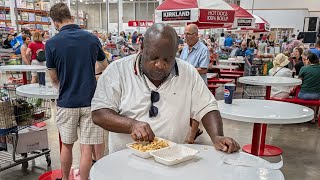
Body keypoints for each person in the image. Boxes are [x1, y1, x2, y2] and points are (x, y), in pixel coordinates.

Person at [91, 23, 240, 154]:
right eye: (154, 58)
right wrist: (131, 125)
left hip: (172, 158)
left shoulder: (188, 73)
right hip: (125, 160)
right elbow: (99, 113)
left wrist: (217, 136)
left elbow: (207, 107)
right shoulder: (117, 71)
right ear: (142, 48)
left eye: (167, 59)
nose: (160, 65)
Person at [45, 3, 108, 180]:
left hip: (67, 102)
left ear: (55, 22)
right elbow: (104, 65)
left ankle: (65, 179)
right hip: (90, 101)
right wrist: (93, 73)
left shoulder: (51, 44)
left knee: (67, 145)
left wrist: (65, 86)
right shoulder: (91, 38)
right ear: (70, 16)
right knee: (87, 147)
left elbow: (54, 78)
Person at [298, 53, 320, 123]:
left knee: (305, 97)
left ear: (309, 61)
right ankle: (312, 117)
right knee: (313, 100)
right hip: (317, 95)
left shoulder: (304, 68)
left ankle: (304, 116)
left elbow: (299, 81)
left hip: (303, 94)